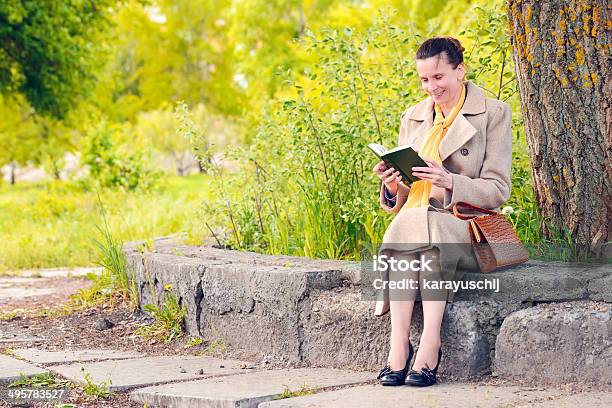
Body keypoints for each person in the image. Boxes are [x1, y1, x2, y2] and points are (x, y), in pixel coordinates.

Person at [372, 36, 513, 387]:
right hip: (417, 219)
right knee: (413, 222)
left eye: (438, 77)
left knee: (422, 225)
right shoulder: (415, 116)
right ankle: (401, 344)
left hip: (464, 223)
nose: (431, 87)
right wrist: (392, 185)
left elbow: (498, 189)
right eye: (423, 79)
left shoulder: (492, 113)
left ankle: (427, 342)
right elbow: (405, 194)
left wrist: (450, 181)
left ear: (460, 70)